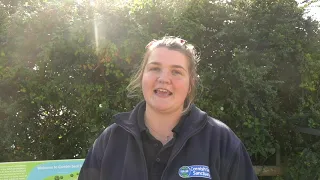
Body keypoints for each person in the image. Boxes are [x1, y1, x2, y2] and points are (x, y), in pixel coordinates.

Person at [78, 36, 258, 180]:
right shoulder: (110, 141)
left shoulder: (222, 142)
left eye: (176, 71)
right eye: (155, 68)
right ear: (142, 77)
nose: (164, 79)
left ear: (190, 85)